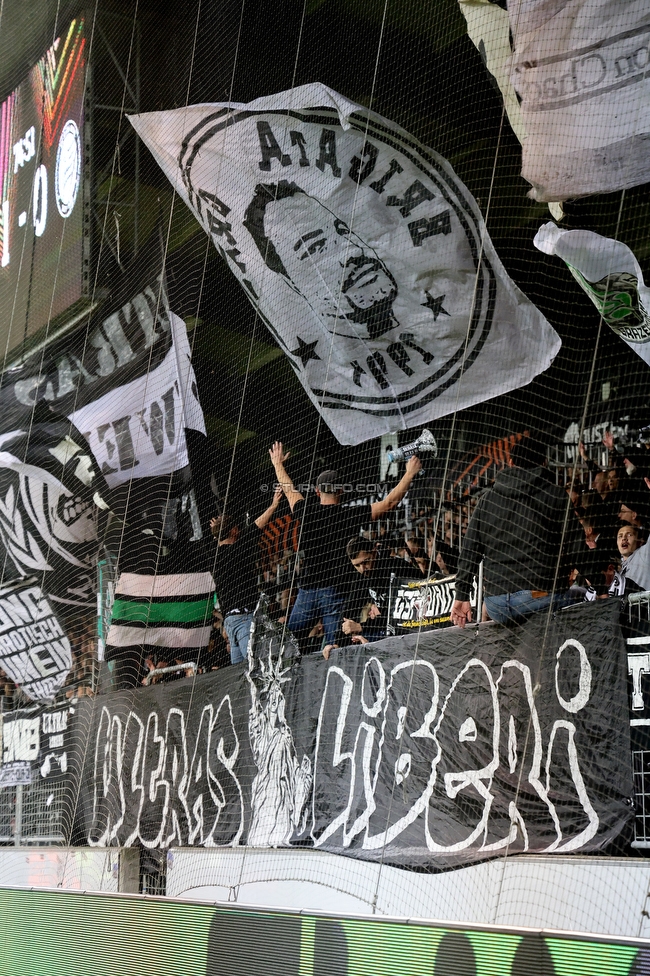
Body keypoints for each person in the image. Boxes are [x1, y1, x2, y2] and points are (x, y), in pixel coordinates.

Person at [268, 441, 422, 649]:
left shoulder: (306, 511)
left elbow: (288, 488)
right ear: (341, 490)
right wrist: (409, 474)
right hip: (336, 590)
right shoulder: (349, 515)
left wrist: (278, 463)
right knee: (337, 649)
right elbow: (389, 503)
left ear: (316, 491)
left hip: (307, 591)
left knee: (288, 644)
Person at [451, 437, 585, 627]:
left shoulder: (487, 498)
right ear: (544, 463)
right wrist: (600, 585)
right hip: (538, 596)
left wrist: (461, 595)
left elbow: (469, 550)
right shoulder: (554, 494)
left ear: (511, 463)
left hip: (495, 604)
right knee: (581, 594)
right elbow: (577, 547)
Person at [211, 487, 284, 664]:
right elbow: (255, 528)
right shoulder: (238, 549)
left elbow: (223, 534)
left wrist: (217, 529)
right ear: (235, 531)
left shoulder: (214, 559)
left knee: (240, 673)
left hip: (229, 622)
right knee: (256, 665)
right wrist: (274, 505)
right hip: (244, 620)